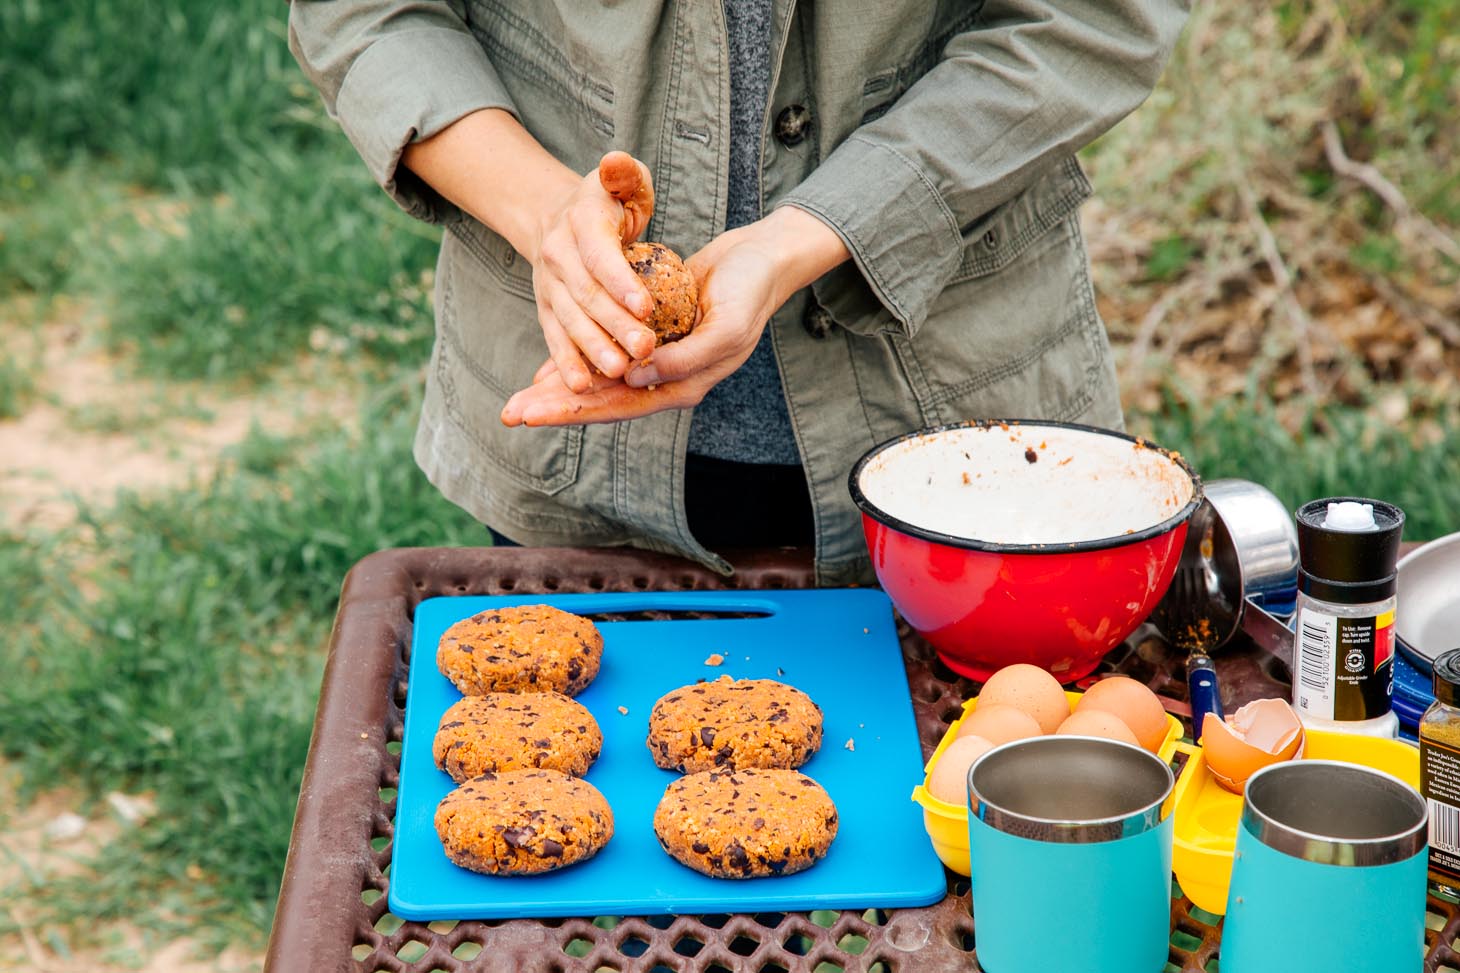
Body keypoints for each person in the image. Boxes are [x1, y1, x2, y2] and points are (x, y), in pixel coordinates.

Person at [288, 0, 1188, 586]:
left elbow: (1094, 19)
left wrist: (815, 234)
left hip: (958, 434)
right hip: (572, 437)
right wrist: (547, 215)